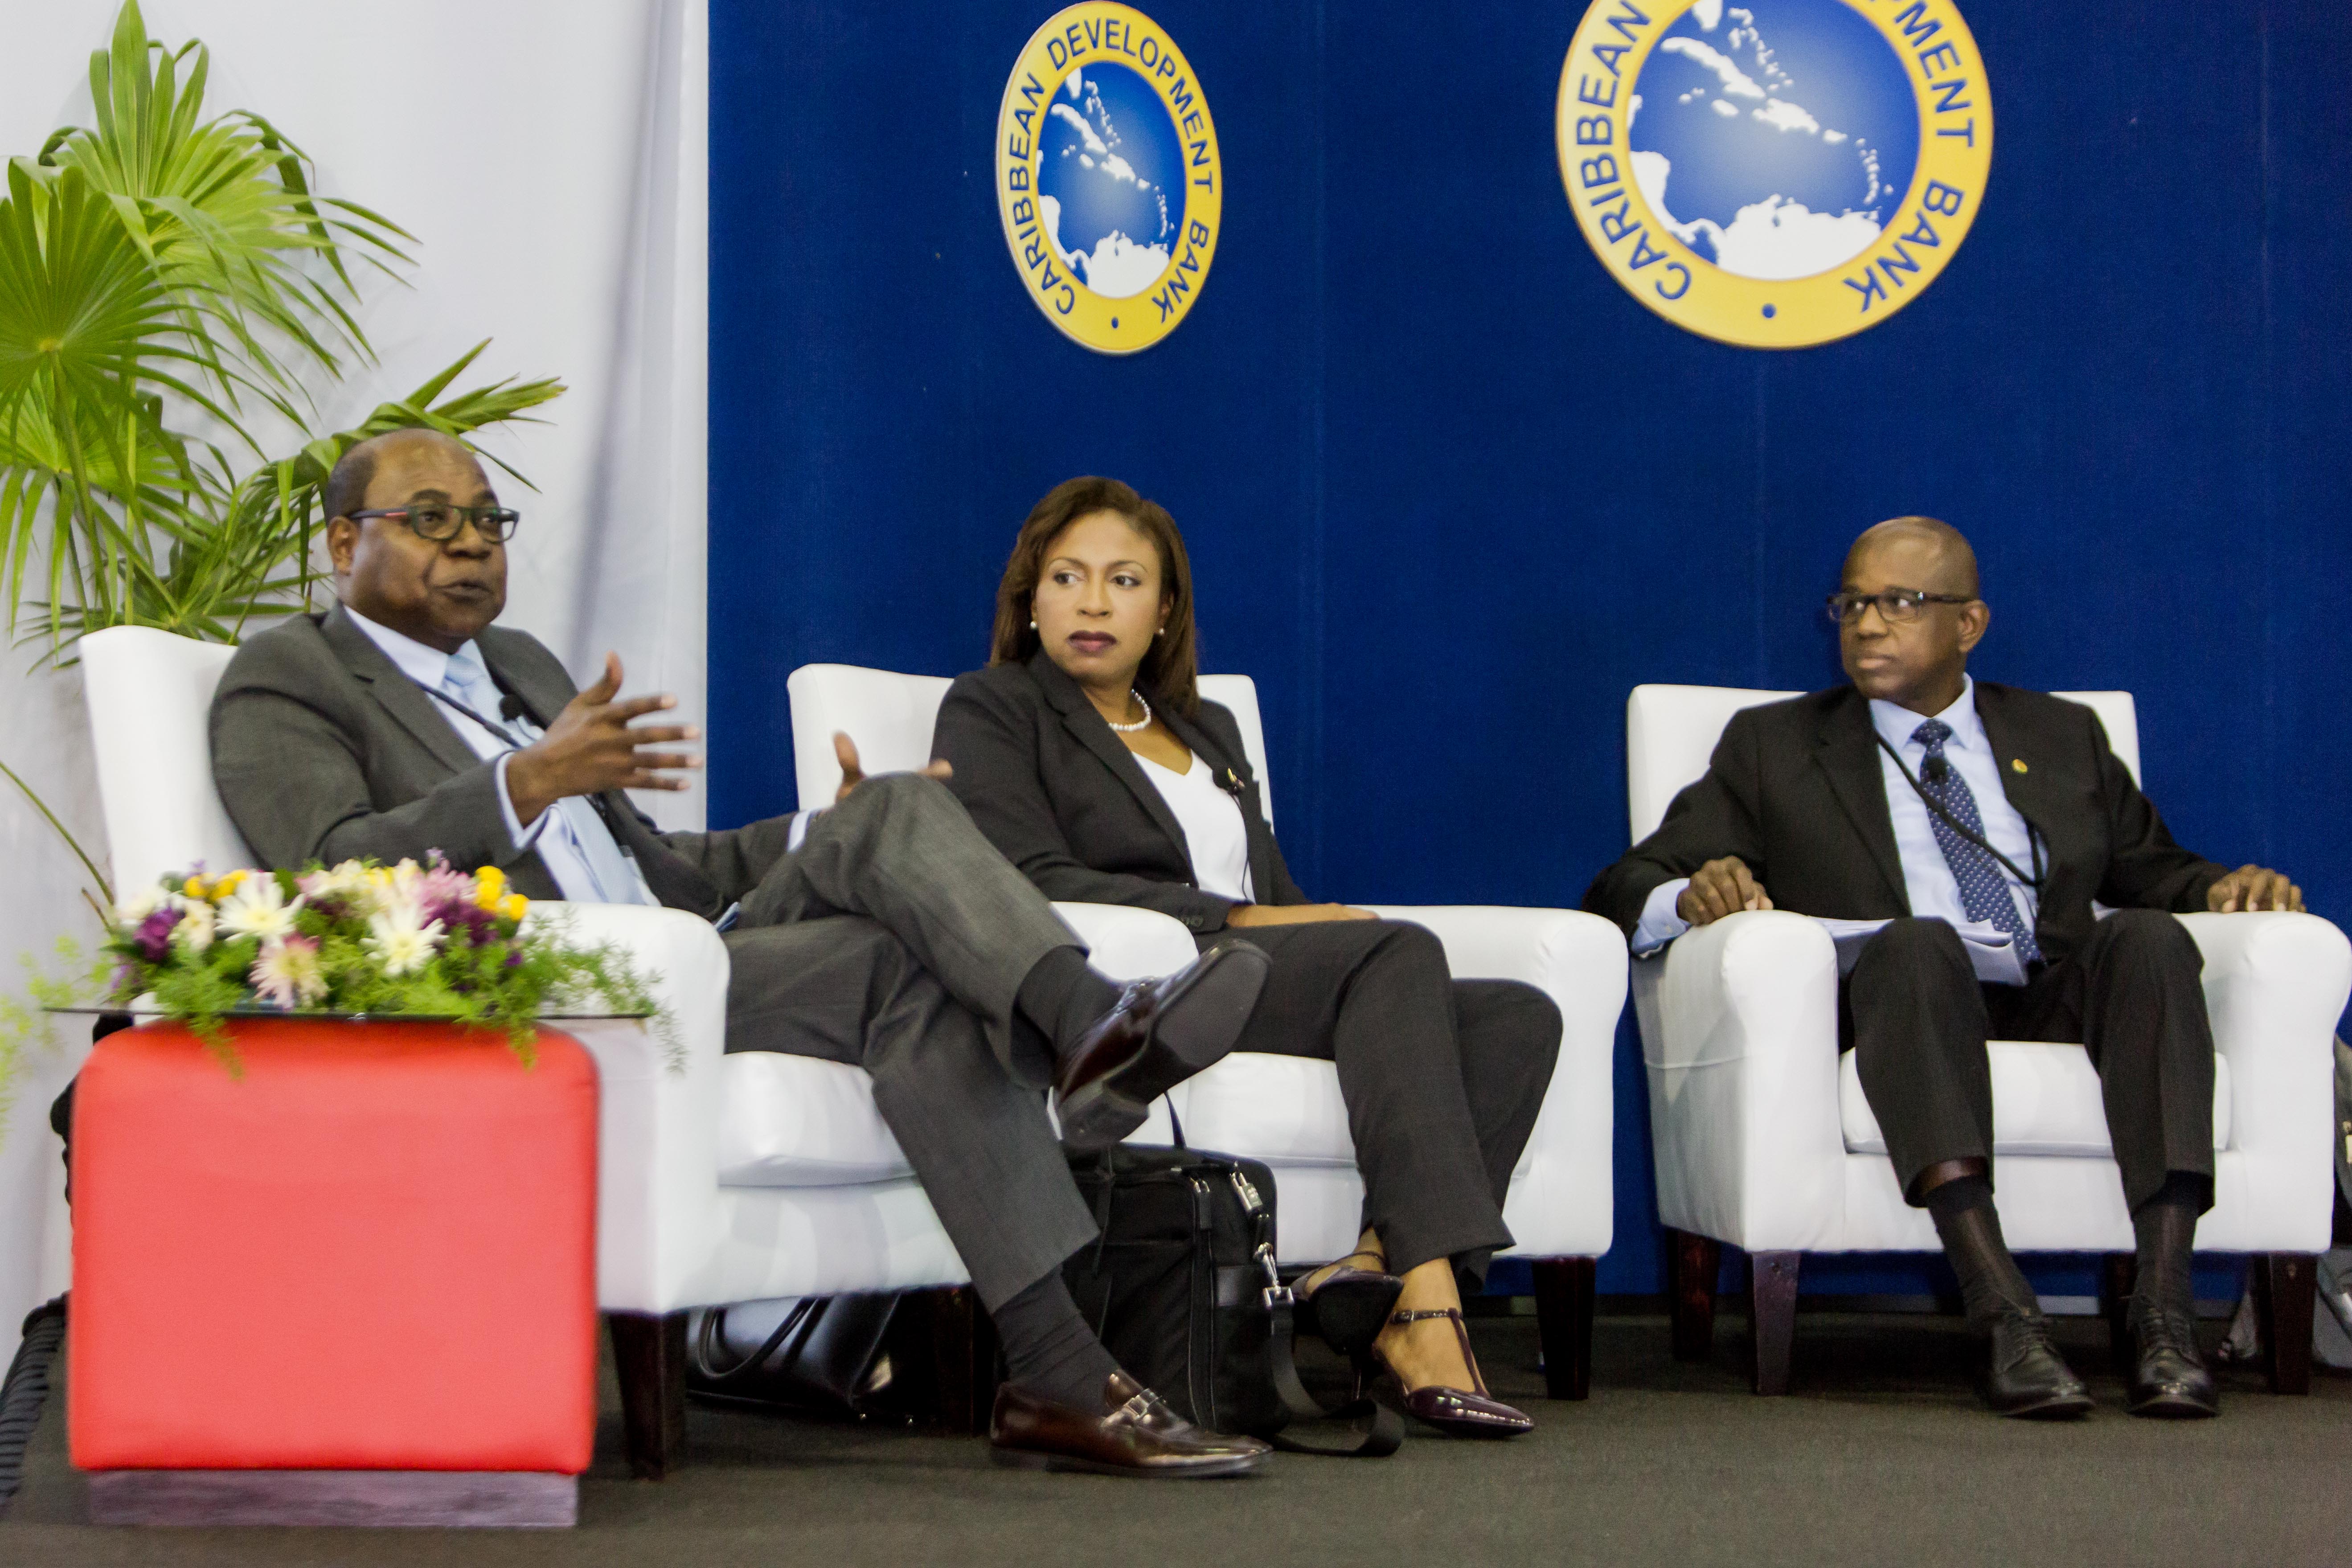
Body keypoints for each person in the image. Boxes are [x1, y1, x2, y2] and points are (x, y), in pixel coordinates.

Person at [203, 428, 1280, 1477]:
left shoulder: (518, 664)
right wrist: (522, 781)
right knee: (907, 944)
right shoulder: (289, 675)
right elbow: (328, 873)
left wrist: (821, 827)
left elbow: (654, 861)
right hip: (567, 987)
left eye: (490, 519)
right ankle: (1089, 1044)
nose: (474, 542)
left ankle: (1054, 1355)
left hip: (682, 950)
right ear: (344, 543)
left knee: (895, 826)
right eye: (433, 519)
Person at [1585, 515, 2306, 1421]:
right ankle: (2001, 1310)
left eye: (1899, 602)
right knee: (1915, 939)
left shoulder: (2060, 731)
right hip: (1906, 1004)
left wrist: (2221, 886)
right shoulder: (1772, 746)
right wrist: (1688, 890)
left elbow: (2149, 870)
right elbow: (1623, 882)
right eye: (1851, 602)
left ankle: (2160, 1316)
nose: (1866, 623)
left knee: (2151, 939)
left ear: (1967, 625)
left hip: (2050, 990)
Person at [931, 476, 1563, 1439]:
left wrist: (1283, 921)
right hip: (1133, 985)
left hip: (1244, 967)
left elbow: (1269, 882)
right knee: (1393, 952)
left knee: (1516, 1011)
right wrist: (1237, 918)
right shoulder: (994, 706)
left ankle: (1371, 1261)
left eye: (1123, 579)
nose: (1092, 602)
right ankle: (1423, 1306)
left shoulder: (1205, 727)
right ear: (1030, 598)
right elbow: (1024, 873)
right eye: (1066, 577)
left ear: (1164, 608)